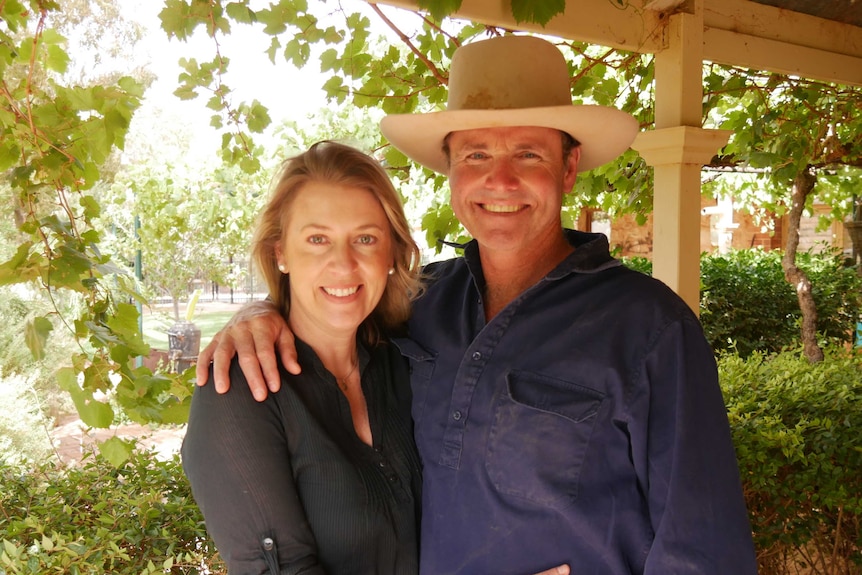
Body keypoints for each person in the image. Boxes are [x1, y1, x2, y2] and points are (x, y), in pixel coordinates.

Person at [198, 35, 758, 574]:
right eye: (477, 154)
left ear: (568, 167)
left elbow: (702, 549)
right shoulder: (421, 305)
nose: (501, 179)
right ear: (450, 171)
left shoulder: (648, 329)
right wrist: (258, 314)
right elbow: (333, 300)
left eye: (528, 153)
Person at [181, 141, 424, 574]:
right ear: (281, 253)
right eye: (317, 239)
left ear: (392, 252)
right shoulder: (241, 388)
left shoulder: (408, 358)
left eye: (366, 238)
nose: (343, 264)